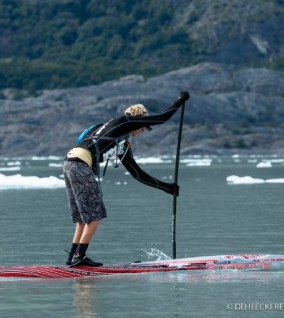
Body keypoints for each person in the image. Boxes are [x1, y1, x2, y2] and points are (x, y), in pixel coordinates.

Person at [63, 91, 190, 267]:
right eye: (143, 127)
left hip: (69, 163)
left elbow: (137, 173)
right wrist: (180, 101)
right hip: (80, 165)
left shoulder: (118, 137)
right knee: (95, 215)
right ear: (139, 121)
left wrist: (167, 187)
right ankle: (79, 257)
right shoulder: (127, 121)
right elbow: (162, 118)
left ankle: (71, 258)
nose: (141, 131)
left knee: (84, 217)